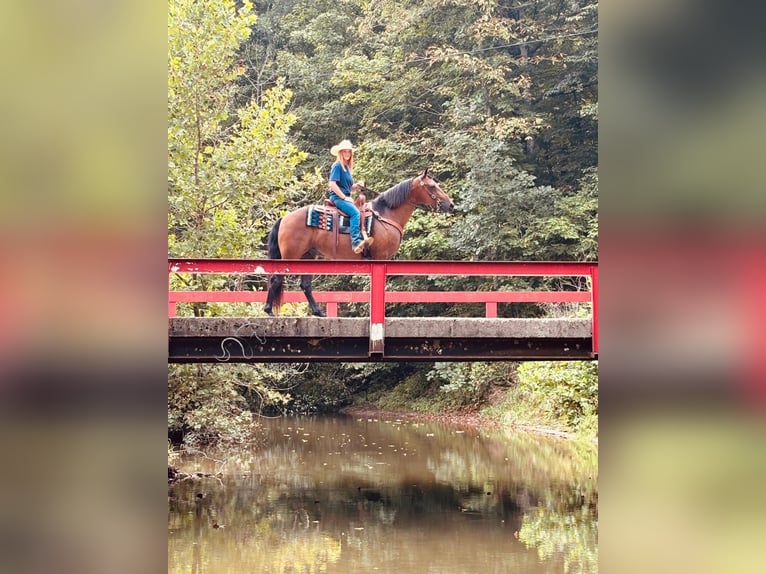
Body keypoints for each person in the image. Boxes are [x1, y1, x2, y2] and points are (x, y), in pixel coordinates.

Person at [327, 139, 373, 254]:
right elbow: (332, 184)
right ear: (340, 153)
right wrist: (344, 197)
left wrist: (356, 186)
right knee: (355, 213)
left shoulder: (346, 168)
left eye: (349, 152)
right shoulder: (337, 166)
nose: (347, 154)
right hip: (337, 198)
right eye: (345, 151)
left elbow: (347, 186)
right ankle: (356, 242)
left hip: (344, 197)